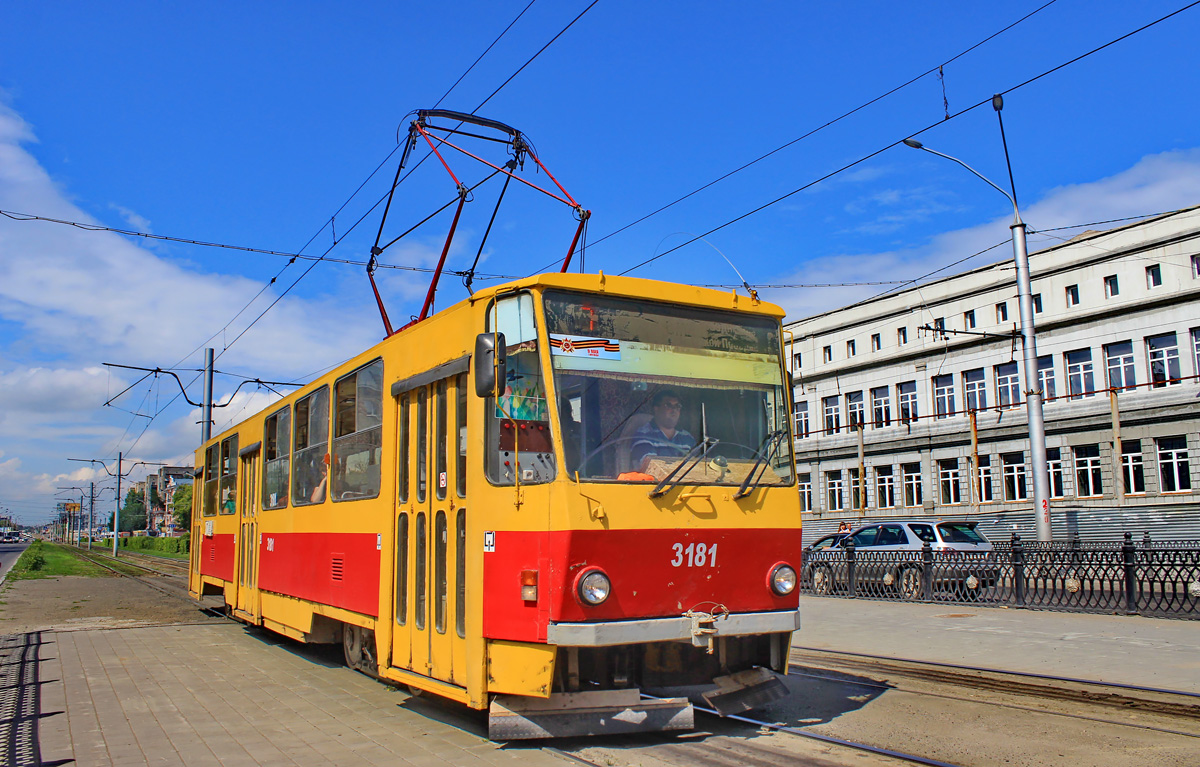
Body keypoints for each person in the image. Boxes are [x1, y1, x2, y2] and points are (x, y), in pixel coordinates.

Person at [630, 389, 697, 469]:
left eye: (677, 406)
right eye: (668, 406)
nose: (674, 410)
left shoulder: (687, 437)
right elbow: (651, 468)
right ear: (656, 409)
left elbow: (698, 467)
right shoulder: (643, 435)